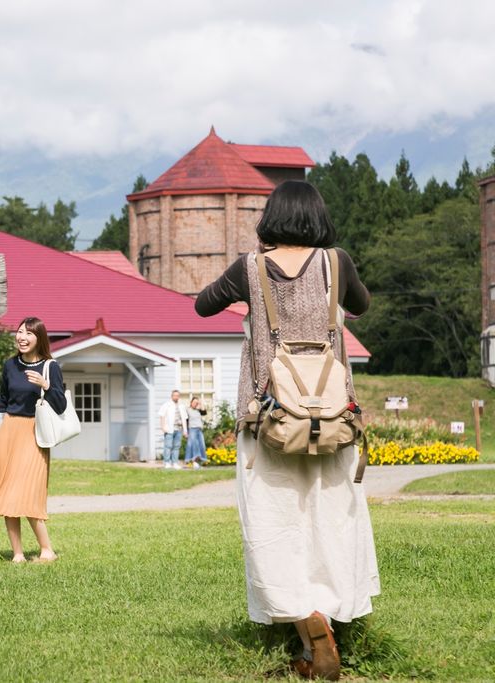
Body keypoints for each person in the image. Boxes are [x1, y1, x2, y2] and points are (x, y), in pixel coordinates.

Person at [195, 180, 378, 680]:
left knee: (272, 524)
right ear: (318, 218)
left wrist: (254, 299)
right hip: (331, 419)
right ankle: (333, 616)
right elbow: (361, 305)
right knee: (331, 520)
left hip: (268, 419)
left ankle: (307, 622)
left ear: (270, 218)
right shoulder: (337, 263)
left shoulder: (250, 269)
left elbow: (203, 305)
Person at [0, 317, 67, 563]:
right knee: (7, 491)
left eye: (29, 333)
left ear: (39, 338)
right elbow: (5, 401)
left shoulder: (50, 367)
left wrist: (46, 385)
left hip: (34, 433)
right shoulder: (10, 365)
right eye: (20, 332)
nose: (22, 337)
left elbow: (60, 405)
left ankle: (47, 550)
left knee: (27, 491)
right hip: (10, 430)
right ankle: (18, 554)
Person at [158, 390, 187, 469]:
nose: (176, 397)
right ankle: (167, 462)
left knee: (176, 446)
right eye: (174, 395)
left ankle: (175, 463)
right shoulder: (167, 405)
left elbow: (184, 418)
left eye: (177, 395)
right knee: (168, 446)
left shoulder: (182, 406)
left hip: (179, 429)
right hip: (169, 429)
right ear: (172, 396)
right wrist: (163, 427)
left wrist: (185, 430)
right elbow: (162, 415)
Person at [184, 397, 208, 469]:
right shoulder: (188, 410)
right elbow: (185, 421)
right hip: (192, 429)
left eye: (197, 403)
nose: (195, 404)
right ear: (191, 402)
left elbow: (204, 413)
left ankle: (201, 460)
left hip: (199, 430)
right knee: (194, 445)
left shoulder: (198, 410)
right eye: (194, 402)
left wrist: (201, 404)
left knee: (202, 445)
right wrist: (185, 431)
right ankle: (194, 461)